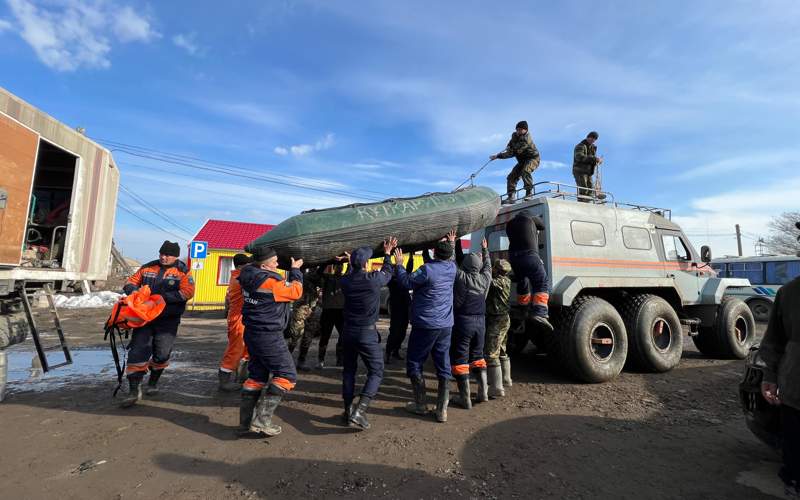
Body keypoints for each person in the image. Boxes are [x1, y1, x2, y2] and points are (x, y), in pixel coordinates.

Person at [237, 247, 303, 438]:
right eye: (274, 261)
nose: (276, 264)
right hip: (268, 334)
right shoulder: (271, 282)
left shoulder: (247, 276)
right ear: (264, 264)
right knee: (287, 375)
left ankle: (245, 424)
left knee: (257, 376)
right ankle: (262, 421)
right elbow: (296, 292)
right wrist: (296, 270)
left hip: (252, 332)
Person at [121, 241, 195, 407]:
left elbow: (188, 292)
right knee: (138, 352)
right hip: (144, 319)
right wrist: (134, 291)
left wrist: (163, 298)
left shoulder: (183, 271)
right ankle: (134, 390)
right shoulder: (147, 267)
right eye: (162, 253)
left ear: (175, 256)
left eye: (168, 255)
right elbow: (130, 282)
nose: (163, 257)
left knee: (162, 353)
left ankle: (153, 383)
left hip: (168, 320)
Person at [394, 230, 457, 423]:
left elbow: (405, 282)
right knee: (443, 365)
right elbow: (448, 255)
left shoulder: (428, 269)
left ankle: (421, 404)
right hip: (445, 325)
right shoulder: (452, 268)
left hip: (425, 324)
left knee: (414, 362)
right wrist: (452, 243)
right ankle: (441, 410)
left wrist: (399, 265)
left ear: (435, 253)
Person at [339, 237, 397, 429]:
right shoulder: (372, 280)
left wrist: (351, 263)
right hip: (366, 334)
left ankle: (347, 410)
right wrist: (387, 254)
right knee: (376, 371)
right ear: (365, 263)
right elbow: (388, 272)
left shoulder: (345, 281)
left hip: (347, 332)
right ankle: (359, 411)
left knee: (349, 371)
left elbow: (351, 273)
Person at [760, 221, 800, 496]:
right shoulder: (788, 293)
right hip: (795, 395)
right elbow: (773, 341)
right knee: (795, 453)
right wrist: (770, 377)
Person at [450, 237, 492, 409]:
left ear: (465, 266)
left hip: (463, 322)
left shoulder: (461, 278)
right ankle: (483, 393)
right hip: (481, 323)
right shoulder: (485, 278)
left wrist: (452, 244)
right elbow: (488, 266)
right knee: (478, 356)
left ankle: (465, 399)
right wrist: (485, 250)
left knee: (460, 358)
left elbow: (452, 263)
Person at [506, 211, 553, 332]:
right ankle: (540, 312)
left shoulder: (509, 224)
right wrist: (535, 219)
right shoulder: (530, 218)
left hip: (514, 259)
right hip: (529, 256)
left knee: (523, 282)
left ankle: (523, 310)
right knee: (541, 282)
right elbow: (542, 225)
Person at [218, 253, 253, 392]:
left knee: (245, 349)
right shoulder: (240, 279)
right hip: (238, 319)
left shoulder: (237, 277)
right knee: (235, 349)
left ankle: (242, 377)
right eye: (248, 264)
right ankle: (224, 381)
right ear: (240, 266)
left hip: (243, 318)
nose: (250, 266)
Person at [490, 120, 541, 205]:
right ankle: (511, 196)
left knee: (525, 171)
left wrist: (498, 156)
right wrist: (508, 146)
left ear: (526, 130)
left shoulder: (526, 140)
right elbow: (510, 145)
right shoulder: (514, 136)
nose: (519, 131)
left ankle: (529, 193)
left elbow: (514, 152)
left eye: (521, 129)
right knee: (511, 177)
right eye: (517, 129)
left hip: (533, 159)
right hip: (522, 161)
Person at [286, 266, 323, 370]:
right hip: (301, 309)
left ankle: (301, 361)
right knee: (295, 335)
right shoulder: (300, 275)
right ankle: (286, 361)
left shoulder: (317, 276)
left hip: (313, 309)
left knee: (308, 337)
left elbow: (319, 280)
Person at [485, 259, 513, 398]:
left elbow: (486, 278)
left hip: (497, 320)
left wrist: (486, 266)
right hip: (504, 319)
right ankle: (506, 379)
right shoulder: (506, 280)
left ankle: (497, 388)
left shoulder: (498, 282)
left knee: (491, 353)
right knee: (502, 349)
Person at [385, 253, 414, 363]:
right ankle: (388, 352)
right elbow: (389, 270)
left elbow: (409, 269)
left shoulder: (403, 277)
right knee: (394, 332)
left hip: (405, 308)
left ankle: (396, 351)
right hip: (396, 309)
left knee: (402, 332)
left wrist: (411, 256)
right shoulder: (391, 281)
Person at [318, 262, 346, 368]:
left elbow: (353, 270)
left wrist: (348, 259)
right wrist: (328, 261)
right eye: (338, 266)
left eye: (341, 266)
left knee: (343, 336)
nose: (339, 268)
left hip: (341, 312)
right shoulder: (328, 277)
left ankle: (340, 359)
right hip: (328, 311)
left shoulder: (346, 278)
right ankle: (320, 360)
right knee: (325, 336)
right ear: (334, 268)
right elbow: (319, 272)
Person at [573, 131, 603, 202]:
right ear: (588, 137)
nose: (593, 140)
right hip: (580, 171)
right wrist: (594, 159)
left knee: (590, 190)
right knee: (584, 189)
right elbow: (579, 157)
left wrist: (597, 161)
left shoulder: (592, 148)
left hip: (588, 172)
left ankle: (588, 205)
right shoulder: (580, 146)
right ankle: (582, 204)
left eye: (594, 139)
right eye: (592, 138)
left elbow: (592, 159)